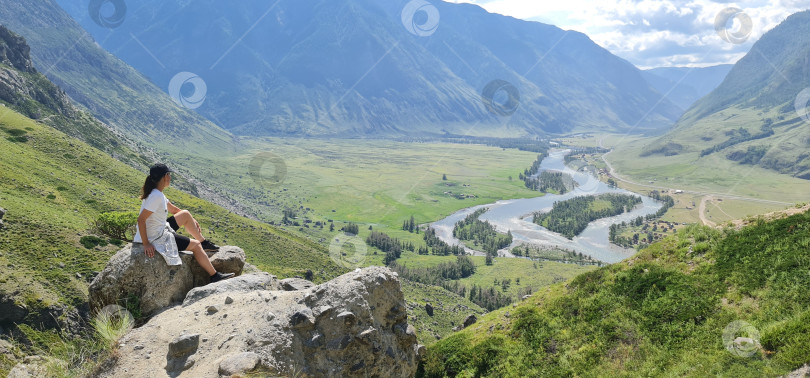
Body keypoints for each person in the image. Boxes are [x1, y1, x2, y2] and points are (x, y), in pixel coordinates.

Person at [134, 163, 233, 283]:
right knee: (195, 246)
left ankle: (204, 242)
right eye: (169, 175)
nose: (170, 178)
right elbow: (141, 219)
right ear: (165, 176)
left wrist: (191, 219)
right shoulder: (156, 196)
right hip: (156, 237)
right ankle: (214, 276)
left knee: (185, 213)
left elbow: (175, 210)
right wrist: (146, 244)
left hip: (157, 230)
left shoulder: (157, 194)